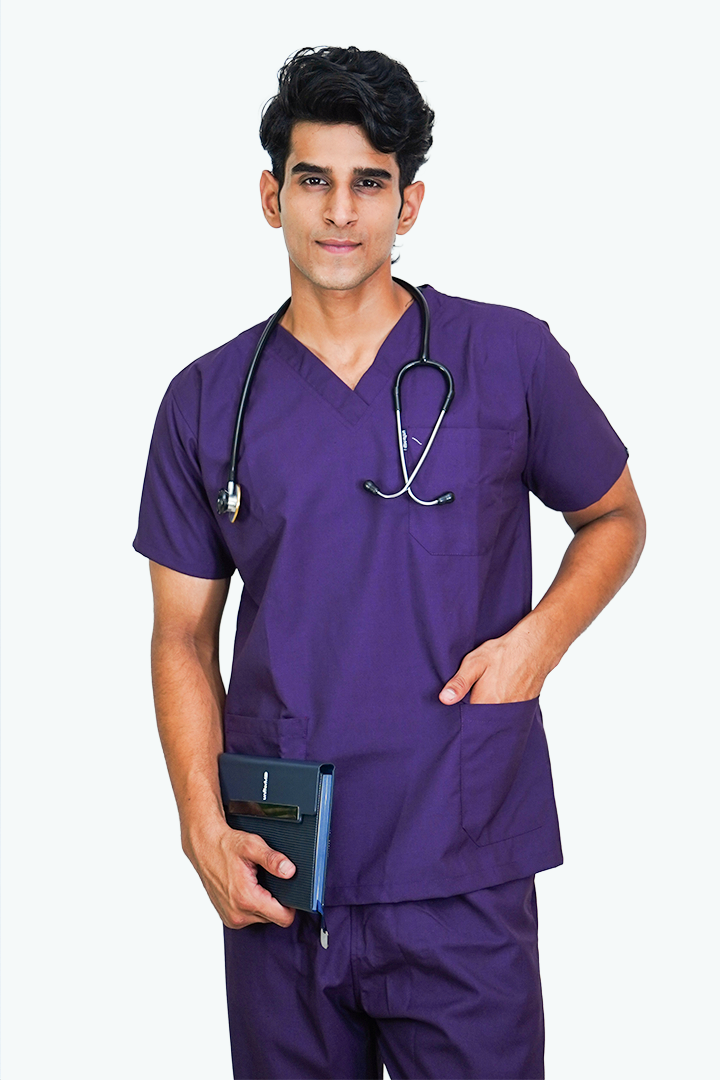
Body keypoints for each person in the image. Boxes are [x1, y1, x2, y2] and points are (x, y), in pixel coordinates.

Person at [134, 45, 645, 1080]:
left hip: (459, 854)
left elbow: (615, 516)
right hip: (282, 867)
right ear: (272, 196)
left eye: (369, 183)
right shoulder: (206, 401)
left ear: (408, 203)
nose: (340, 211)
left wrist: (537, 644)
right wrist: (200, 827)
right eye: (313, 180)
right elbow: (182, 633)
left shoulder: (508, 357)